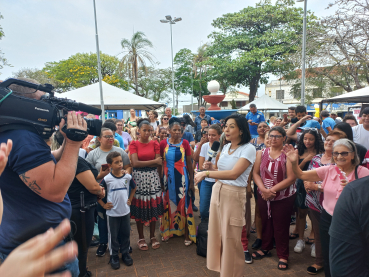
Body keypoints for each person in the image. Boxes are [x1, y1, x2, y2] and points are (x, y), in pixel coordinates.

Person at [0, 78, 87, 277]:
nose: (47, 105)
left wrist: (69, 140)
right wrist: (73, 145)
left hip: (23, 242)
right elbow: (55, 190)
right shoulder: (23, 138)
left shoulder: (12, 131)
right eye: (42, 99)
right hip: (39, 249)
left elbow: (45, 161)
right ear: (24, 103)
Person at [283, 139, 369, 277]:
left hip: (353, 221)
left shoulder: (363, 172)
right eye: (336, 153)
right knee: (329, 253)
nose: (339, 156)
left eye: (344, 153)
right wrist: (294, 162)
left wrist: (353, 190)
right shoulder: (329, 169)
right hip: (328, 218)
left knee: (352, 253)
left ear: (353, 154)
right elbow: (301, 175)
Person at [195, 114, 256, 277]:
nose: (226, 130)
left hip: (233, 195)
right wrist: (212, 168)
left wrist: (206, 172)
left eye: (231, 126)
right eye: (226, 126)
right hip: (218, 191)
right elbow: (221, 172)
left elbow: (235, 174)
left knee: (231, 239)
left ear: (241, 130)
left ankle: (234, 273)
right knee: (218, 235)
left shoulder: (248, 149)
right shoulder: (226, 147)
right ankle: (223, 271)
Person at [52, 132, 105, 277]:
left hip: (72, 207)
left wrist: (99, 177)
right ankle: (82, 273)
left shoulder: (59, 158)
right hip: (81, 210)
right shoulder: (76, 161)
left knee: (76, 244)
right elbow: (93, 187)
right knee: (81, 246)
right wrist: (100, 190)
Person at [252, 126, 297, 270]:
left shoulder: (288, 154)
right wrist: (264, 190)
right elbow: (256, 173)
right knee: (265, 221)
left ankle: (283, 255)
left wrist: (272, 190)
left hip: (283, 196)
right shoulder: (261, 152)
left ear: (284, 138)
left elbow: (291, 178)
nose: (273, 139)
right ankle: (265, 247)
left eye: (277, 136)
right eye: (271, 136)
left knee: (281, 225)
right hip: (264, 194)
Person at [304, 130, 347, 275]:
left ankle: (335, 264)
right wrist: (307, 183)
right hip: (313, 202)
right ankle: (320, 262)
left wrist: (316, 186)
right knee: (318, 233)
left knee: (334, 236)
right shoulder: (316, 158)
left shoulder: (341, 162)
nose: (328, 142)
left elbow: (339, 186)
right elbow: (307, 174)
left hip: (333, 206)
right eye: (327, 140)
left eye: (333, 141)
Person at [86, 128, 131, 257]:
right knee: (102, 218)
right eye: (107, 136)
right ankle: (103, 243)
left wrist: (126, 174)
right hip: (101, 192)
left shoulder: (120, 152)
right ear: (99, 139)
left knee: (121, 219)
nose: (111, 139)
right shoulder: (92, 155)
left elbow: (128, 167)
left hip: (118, 192)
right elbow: (87, 176)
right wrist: (100, 175)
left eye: (112, 136)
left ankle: (123, 245)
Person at [159, 118, 196, 245]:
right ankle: (168, 231)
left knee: (184, 202)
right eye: (174, 130)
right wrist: (160, 179)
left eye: (179, 130)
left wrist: (191, 181)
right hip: (167, 177)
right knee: (167, 202)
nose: (177, 132)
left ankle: (186, 233)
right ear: (169, 130)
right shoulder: (163, 143)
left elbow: (190, 163)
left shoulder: (185, 143)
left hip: (182, 177)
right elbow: (160, 163)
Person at [129, 119, 164, 251]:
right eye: (144, 130)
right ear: (138, 130)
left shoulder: (155, 143)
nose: (147, 132)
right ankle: (141, 237)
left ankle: (153, 236)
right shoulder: (134, 144)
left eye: (149, 130)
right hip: (138, 178)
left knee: (153, 205)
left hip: (153, 178)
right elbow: (135, 163)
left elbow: (159, 162)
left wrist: (153, 162)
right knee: (139, 207)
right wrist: (153, 161)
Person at [99, 152, 136, 270]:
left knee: (125, 233)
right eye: (116, 162)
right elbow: (98, 193)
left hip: (125, 211)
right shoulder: (107, 179)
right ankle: (113, 255)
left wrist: (130, 199)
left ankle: (125, 253)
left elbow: (134, 187)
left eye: (121, 161)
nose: (120, 164)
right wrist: (103, 204)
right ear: (109, 165)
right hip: (112, 213)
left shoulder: (127, 177)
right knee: (113, 236)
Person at [290, 129, 324, 255]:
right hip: (300, 185)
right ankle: (300, 239)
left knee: (314, 214)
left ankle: (315, 241)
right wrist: (305, 160)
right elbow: (295, 171)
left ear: (316, 140)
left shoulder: (321, 153)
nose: (307, 141)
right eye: (305, 139)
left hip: (316, 186)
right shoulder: (298, 151)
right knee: (301, 212)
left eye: (311, 139)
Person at [329, 175, 369, 276]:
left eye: (344, 156)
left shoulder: (357, 187)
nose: (339, 157)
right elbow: (344, 265)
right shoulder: (356, 191)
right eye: (335, 157)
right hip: (331, 213)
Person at [198, 124, 222, 220]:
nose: (210, 137)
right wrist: (206, 167)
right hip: (206, 181)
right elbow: (201, 165)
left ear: (219, 135)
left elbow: (222, 167)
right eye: (209, 135)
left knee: (217, 208)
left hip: (220, 181)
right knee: (203, 209)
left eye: (213, 135)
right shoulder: (204, 146)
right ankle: (205, 227)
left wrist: (211, 167)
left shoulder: (224, 147)